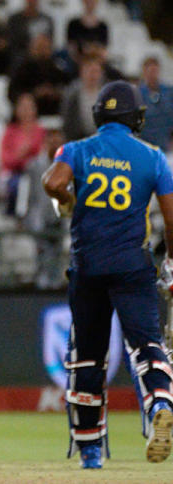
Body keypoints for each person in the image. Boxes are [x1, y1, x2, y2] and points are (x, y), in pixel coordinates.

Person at [42, 80, 173, 469]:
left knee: (87, 357)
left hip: (88, 266)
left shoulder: (77, 149)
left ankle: (91, 451)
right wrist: (171, 264)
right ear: (136, 117)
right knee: (147, 345)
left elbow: (52, 181)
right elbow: (170, 217)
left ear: (99, 114)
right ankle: (161, 403)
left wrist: (66, 201)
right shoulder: (153, 157)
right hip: (133, 265)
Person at [21, 128, 67, 289]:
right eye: (51, 141)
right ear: (45, 143)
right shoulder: (34, 166)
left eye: (58, 142)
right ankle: (40, 283)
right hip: (39, 218)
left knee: (62, 251)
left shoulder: (70, 167)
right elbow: (25, 192)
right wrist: (22, 215)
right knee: (40, 253)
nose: (54, 145)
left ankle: (59, 283)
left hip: (62, 218)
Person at [139, 56, 173, 150]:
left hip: (165, 141)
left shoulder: (169, 92)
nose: (153, 75)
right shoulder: (137, 94)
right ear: (144, 72)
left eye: (155, 71)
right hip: (144, 143)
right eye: (150, 71)